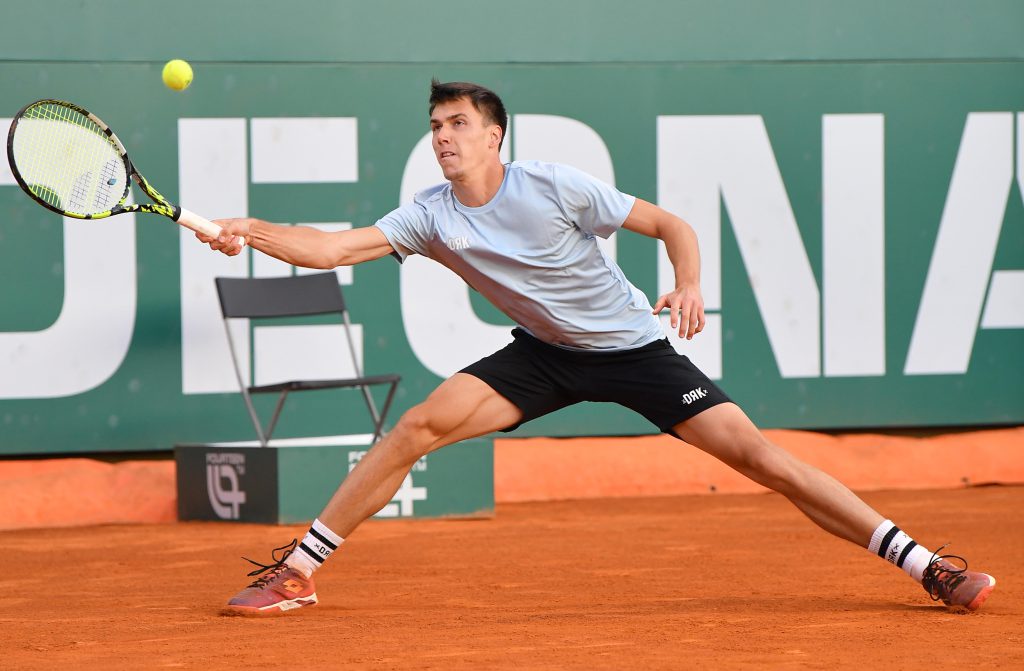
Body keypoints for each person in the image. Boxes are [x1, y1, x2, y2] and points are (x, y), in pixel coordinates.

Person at [201, 80, 995, 616]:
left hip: (633, 349)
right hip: (543, 353)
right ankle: (297, 573)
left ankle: (929, 567)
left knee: (762, 459)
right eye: (435, 126)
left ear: (494, 135)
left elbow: (672, 225)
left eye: (458, 125)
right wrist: (252, 228)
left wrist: (687, 284)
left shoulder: (553, 184)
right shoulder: (431, 214)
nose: (442, 137)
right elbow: (335, 249)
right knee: (416, 427)